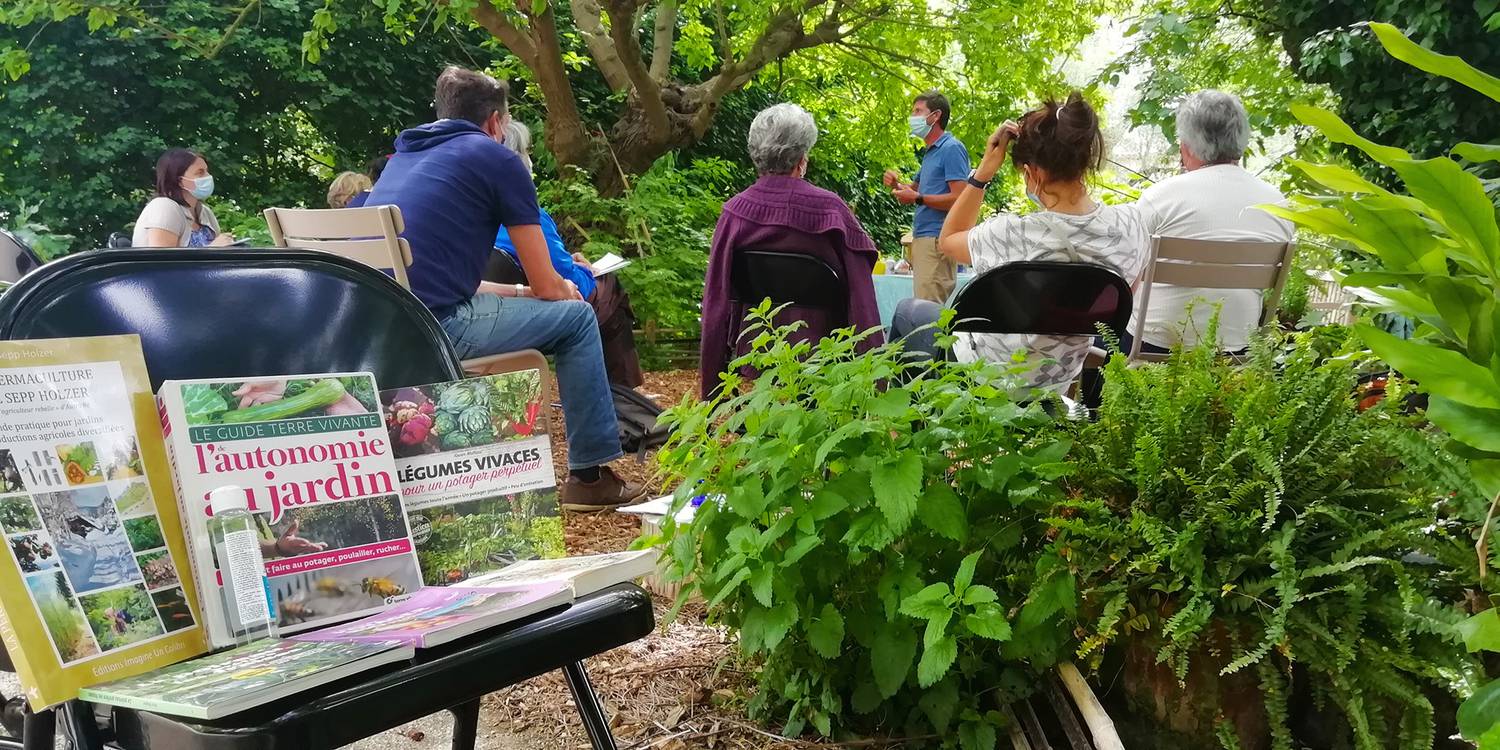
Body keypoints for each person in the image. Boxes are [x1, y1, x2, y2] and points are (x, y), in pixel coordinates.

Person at [364, 66, 643, 510]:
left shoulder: (401, 162)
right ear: (496, 122)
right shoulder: (495, 158)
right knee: (576, 319)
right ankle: (590, 479)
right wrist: (562, 289)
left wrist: (521, 294)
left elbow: (437, 278)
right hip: (438, 331)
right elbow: (548, 282)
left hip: (375, 331)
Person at [891, 92, 1150, 393]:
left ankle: (901, 431)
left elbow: (947, 240)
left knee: (906, 311)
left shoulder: (1013, 233)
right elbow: (1117, 302)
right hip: (1057, 381)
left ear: (1033, 173)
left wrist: (983, 173)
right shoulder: (1132, 226)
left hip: (984, 375)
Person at [701, 103, 884, 399]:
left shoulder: (734, 214)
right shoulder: (832, 212)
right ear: (801, 159)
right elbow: (862, 300)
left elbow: (715, 302)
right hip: (825, 355)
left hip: (758, 356)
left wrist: (709, 394)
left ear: (756, 156)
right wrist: (876, 388)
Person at [1129, 90, 1294, 354]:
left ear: (1186, 146)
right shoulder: (1278, 205)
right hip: (1237, 351)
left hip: (1153, 346)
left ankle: (1089, 397)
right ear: (1241, 140)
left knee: (1097, 330)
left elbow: (1128, 272)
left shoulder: (1159, 197)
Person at [493, 121, 644, 388]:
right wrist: (587, 270)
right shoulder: (528, 216)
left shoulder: (472, 218)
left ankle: (620, 395)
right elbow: (564, 285)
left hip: (495, 312)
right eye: (527, 151)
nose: (530, 160)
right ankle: (624, 396)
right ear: (515, 160)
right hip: (540, 311)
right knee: (609, 288)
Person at [883, 91, 970, 303]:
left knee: (928, 313)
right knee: (923, 309)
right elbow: (912, 191)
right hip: (924, 238)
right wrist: (896, 185)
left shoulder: (951, 148)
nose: (912, 117)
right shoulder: (931, 152)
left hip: (937, 239)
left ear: (936, 116)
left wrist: (917, 198)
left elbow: (960, 199)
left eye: (918, 111)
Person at [132, 148, 236, 247]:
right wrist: (211, 249)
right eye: (200, 173)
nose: (208, 176)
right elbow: (161, 262)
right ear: (180, 181)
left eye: (207, 171)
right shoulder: (164, 207)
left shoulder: (204, 212)